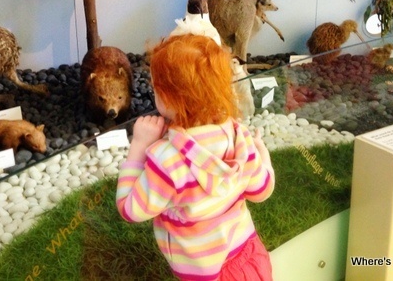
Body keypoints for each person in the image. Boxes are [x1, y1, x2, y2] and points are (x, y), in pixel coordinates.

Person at [116, 34, 275, 281]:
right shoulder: (239, 136)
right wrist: (262, 153)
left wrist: (138, 146)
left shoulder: (167, 161)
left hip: (204, 274)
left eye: (155, 88)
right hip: (250, 260)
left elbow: (130, 209)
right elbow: (262, 191)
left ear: (166, 98)